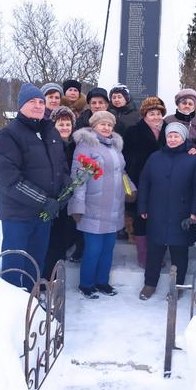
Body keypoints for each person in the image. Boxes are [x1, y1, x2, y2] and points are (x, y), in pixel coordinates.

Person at [0, 83, 68, 291]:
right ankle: (10, 307)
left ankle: (31, 299)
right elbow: (9, 179)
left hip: (44, 216)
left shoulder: (50, 131)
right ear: (20, 106)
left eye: (40, 102)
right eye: (32, 102)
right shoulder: (10, 134)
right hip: (19, 215)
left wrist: (64, 191)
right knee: (15, 265)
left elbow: (61, 166)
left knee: (36, 262)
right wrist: (45, 201)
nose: (37, 106)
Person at [68, 110, 134, 298]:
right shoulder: (85, 145)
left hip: (114, 206)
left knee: (107, 249)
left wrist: (130, 189)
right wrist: (78, 206)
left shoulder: (115, 146)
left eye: (109, 125)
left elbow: (121, 172)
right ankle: (86, 284)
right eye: (102, 124)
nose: (106, 128)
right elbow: (79, 178)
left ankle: (102, 282)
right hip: (93, 206)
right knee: (93, 249)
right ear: (94, 126)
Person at [137, 122, 196, 300]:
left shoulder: (194, 160)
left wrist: (194, 213)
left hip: (182, 215)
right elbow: (144, 183)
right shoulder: (155, 158)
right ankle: (149, 285)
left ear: (183, 138)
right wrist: (143, 206)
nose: (173, 139)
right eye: (170, 136)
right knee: (154, 252)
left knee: (180, 254)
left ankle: (178, 287)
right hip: (157, 212)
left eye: (177, 136)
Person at [123, 96, 167, 267]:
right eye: (151, 113)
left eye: (158, 113)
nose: (156, 117)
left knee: (157, 220)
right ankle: (143, 256)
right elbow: (127, 156)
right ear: (144, 115)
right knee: (140, 219)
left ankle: (157, 256)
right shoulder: (134, 131)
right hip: (139, 179)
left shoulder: (167, 131)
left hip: (162, 183)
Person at [42, 106, 77, 280]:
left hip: (68, 200)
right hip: (52, 199)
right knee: (51, 243)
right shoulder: (47, 145)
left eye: (68, 124)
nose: (64, 127)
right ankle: (46, 280)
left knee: (62, 241)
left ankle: (57, 281)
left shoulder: (75, 146)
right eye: (60, 124)